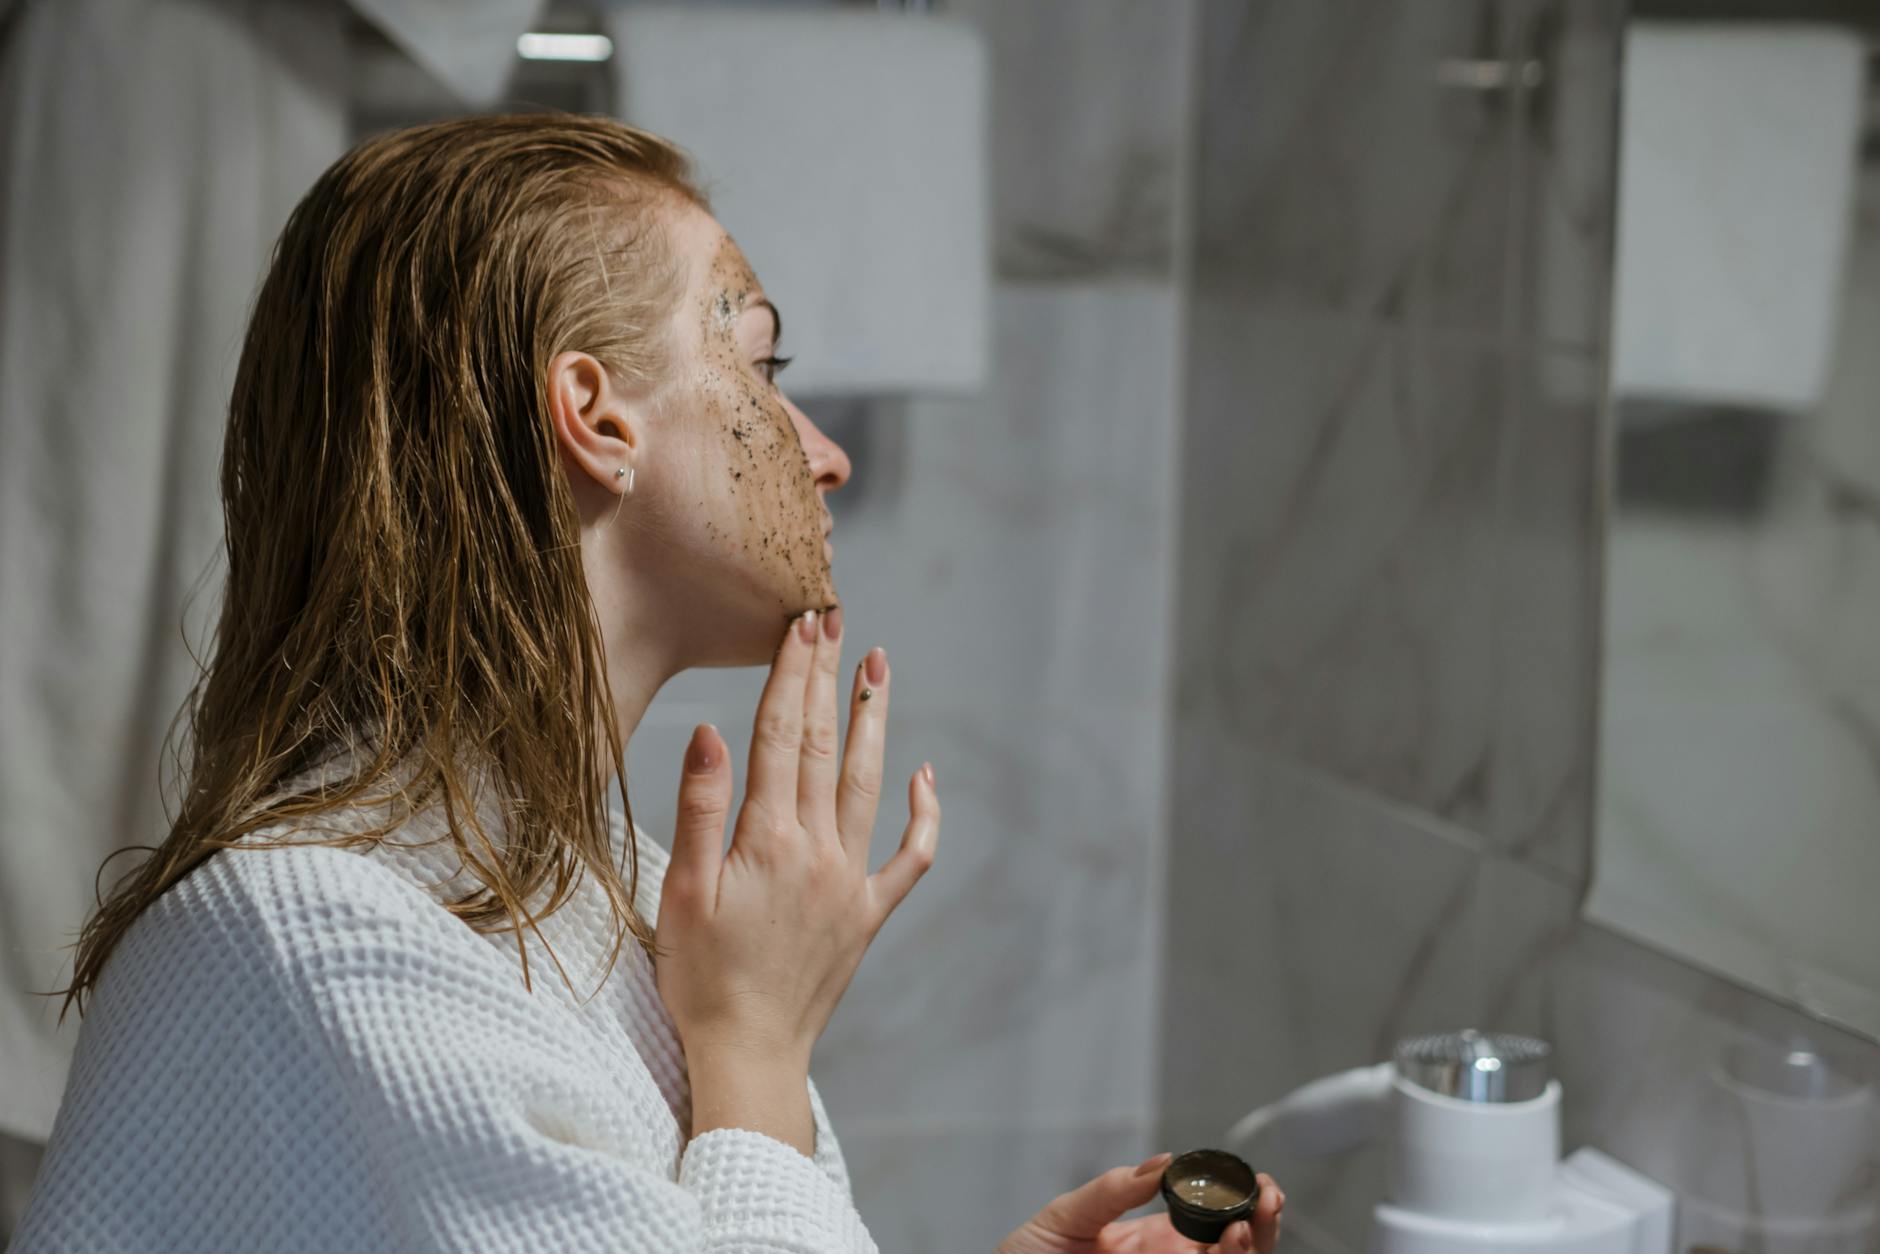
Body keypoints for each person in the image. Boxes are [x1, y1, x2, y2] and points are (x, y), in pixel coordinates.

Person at [9, 113, 1283, 1253]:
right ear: (597, 417)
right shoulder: (313, 938)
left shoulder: (582, 888)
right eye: (764, 371)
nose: (824, 457)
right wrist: (756, 1048)